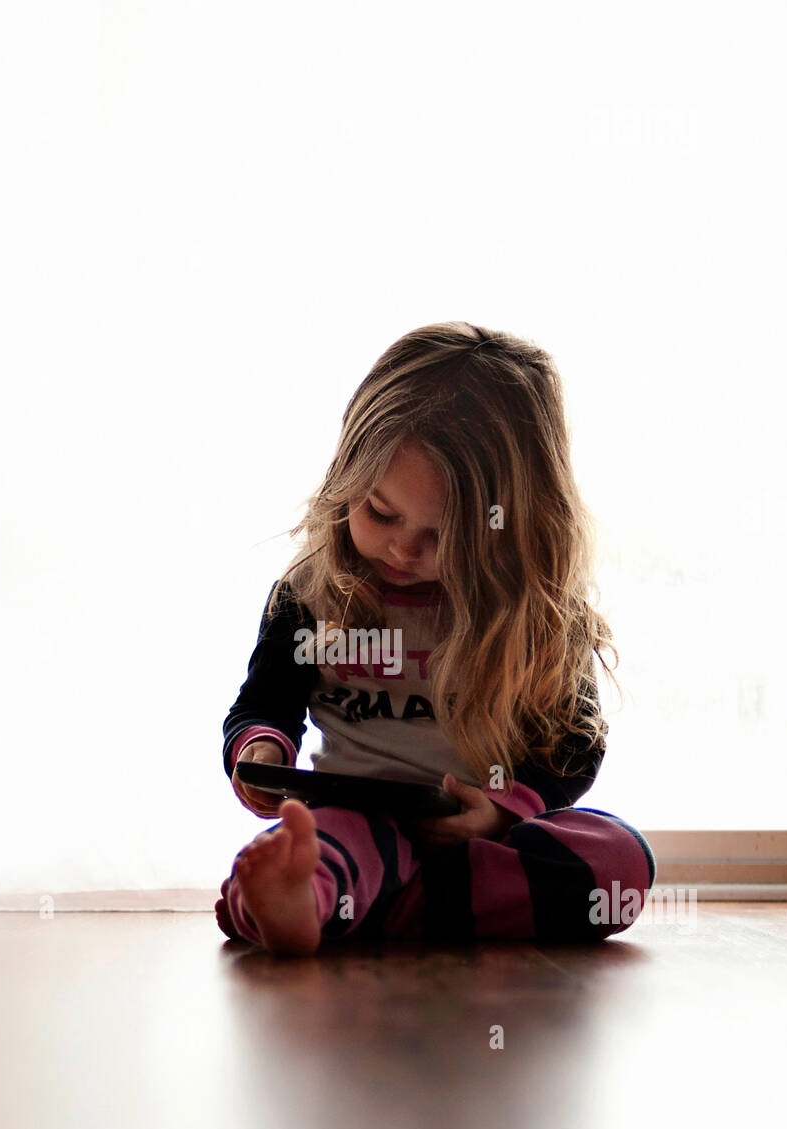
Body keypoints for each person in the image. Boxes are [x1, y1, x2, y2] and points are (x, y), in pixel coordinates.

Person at [216, 321, 656, 955]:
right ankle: (331, 899)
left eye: (444, 535)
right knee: (311, 853)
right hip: (356, 825)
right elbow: (262, 706)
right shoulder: (311, 594)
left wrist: (500, 810)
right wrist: (261, 755)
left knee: (620, 862)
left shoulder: (534, 614)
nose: (403, 547)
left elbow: (574, 744)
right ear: (346, 478)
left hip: (481, 839)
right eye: (381, 512)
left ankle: (380, 910)